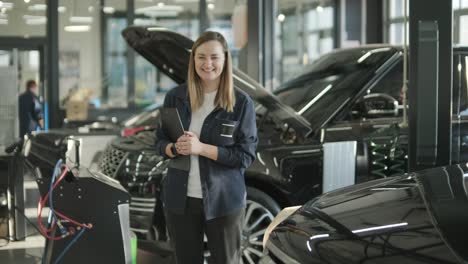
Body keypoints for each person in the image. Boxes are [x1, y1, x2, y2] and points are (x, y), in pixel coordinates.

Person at [155, 31, 258, 264]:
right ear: (193, 60)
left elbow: (245, 156)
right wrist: (173, 148)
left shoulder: (241, 103)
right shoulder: (175, 97)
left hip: (223, 200)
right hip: (180, 200)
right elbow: (159, 142)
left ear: (225, 59)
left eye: (214, 57)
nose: (207, 63)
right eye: (201, 57)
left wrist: (201, 148)